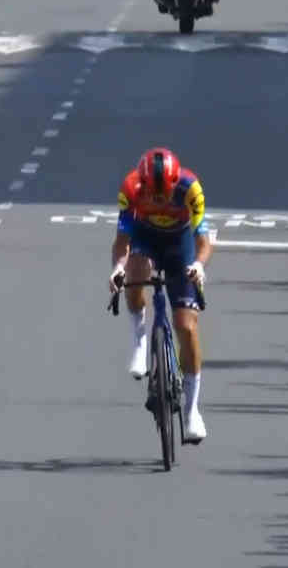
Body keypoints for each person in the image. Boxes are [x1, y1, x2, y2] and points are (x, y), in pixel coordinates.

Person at [109, 148, 212, 442]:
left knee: (186, 327)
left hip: (181, 244)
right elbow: (122, 241)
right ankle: (140, 339)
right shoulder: (131, 188)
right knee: (134, 274)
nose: (157, 201)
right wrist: (118, 268)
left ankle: (192, 411)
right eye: (151, 196)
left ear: (173, 184)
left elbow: (204, 240)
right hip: (146, 238)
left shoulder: (190, 189)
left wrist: (198, 265)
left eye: (162, 195)